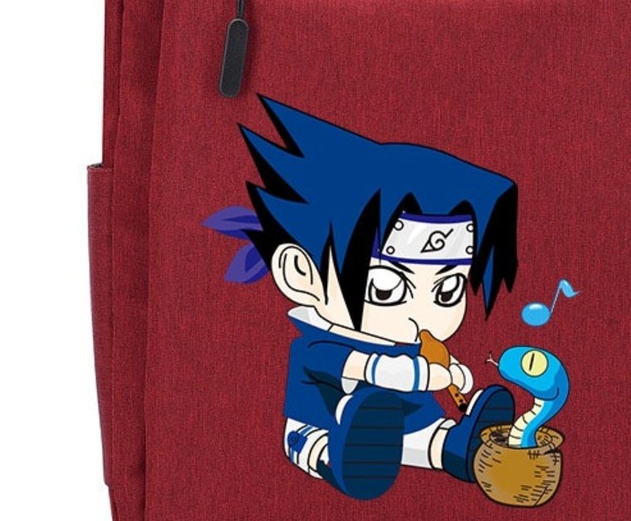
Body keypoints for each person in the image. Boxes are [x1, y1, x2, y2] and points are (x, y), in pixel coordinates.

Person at [205, 96, 520, 500]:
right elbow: (370, 370)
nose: (422, 315)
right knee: (332, 435)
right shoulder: (317, 346)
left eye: (447, 290)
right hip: (322, 424)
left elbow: (423, 373)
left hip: (406, 420)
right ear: (301, 272)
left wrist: (454, 373)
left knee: (419, 431)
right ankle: (340, 462)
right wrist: (415, 374)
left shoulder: (415, 342)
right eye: (385, 289)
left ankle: (456, 449)